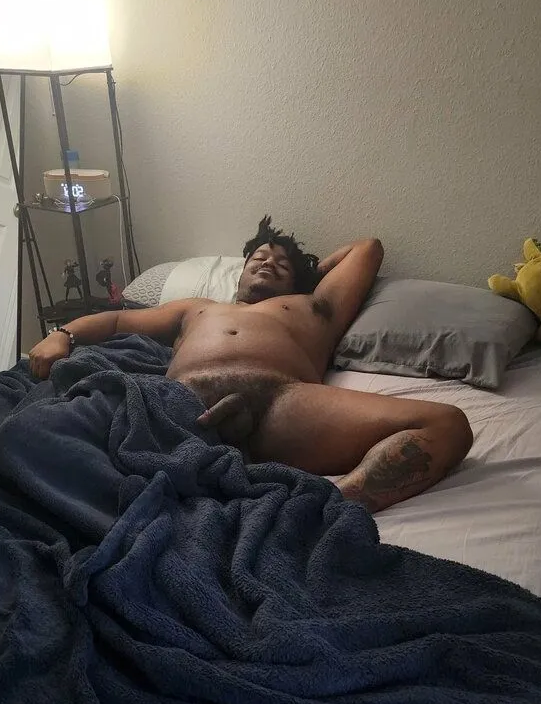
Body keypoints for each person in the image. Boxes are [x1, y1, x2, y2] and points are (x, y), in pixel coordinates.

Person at [29, 216, 472, 513]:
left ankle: (340, 502)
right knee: (38, 429)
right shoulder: (197, 306)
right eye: (259, 257)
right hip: (180, 406)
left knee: (448, 424)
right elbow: (117, 320)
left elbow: (368, 248)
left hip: (282, 404)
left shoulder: (314, 305)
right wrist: (62, 335)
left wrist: (312, 271)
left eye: (282, 264)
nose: (268, 263)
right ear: (241, 271)